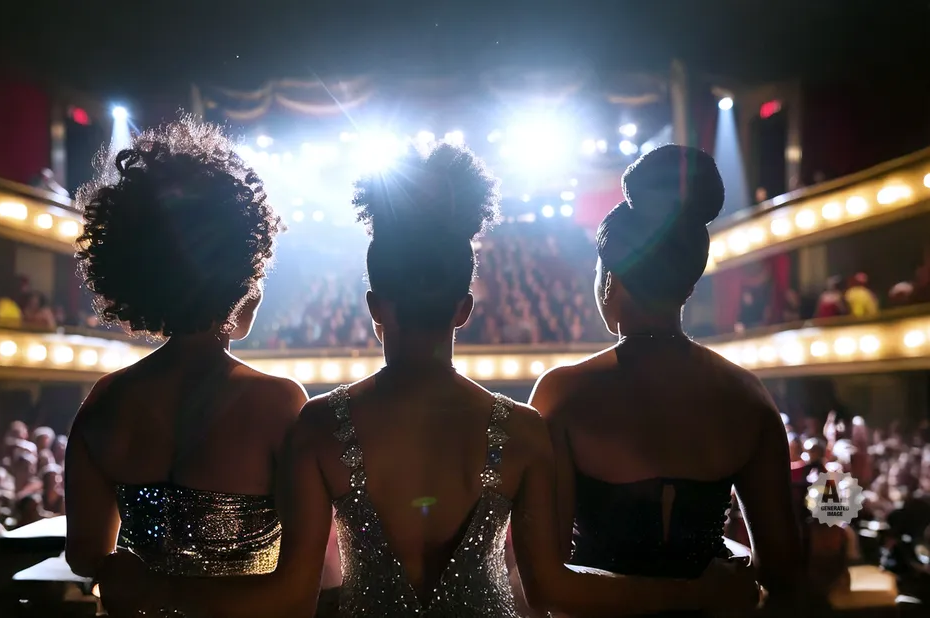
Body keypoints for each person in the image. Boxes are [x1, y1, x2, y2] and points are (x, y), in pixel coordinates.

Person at [127, 143, 758, 617]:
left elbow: (293, 596)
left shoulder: (318, 426)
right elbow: (549, 588)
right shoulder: (525, 430)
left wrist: (152, 587)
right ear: (465, 309)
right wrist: (693, 594)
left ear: (376, 307)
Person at [530, 145, 803, 613]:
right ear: (689, 283)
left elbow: (547, 586)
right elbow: (782, 570)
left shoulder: (563, 394)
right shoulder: (747, 396)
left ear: (609, 278)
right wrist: (698, 591)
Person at [63, 118, 308, 615]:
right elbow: (300, 586)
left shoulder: (105, 400)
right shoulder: (279, 403)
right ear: (244, 277)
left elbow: (86, 554)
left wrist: (148, 588)